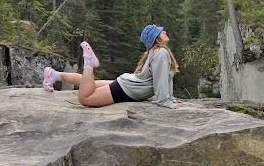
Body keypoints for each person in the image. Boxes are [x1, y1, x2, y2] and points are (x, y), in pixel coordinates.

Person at [42, 25, 182, 109]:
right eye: (161, 31)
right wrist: (165, 101)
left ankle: (53, 75)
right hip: (127, 90)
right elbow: (161, 79)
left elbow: (165, 77)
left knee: (91, 84)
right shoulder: (161, 53)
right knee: (85, 99)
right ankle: (88, 62)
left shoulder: (157, 52)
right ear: (156, 37)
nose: (164, 31)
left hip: (128, 84)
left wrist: (170, 98)